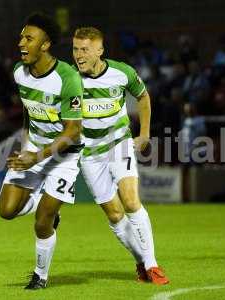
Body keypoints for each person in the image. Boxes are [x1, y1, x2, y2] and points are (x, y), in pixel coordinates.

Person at [72, 27, 169, 285]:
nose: (78, 55)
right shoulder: (69, 80)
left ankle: (153, 265)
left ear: (99, 50)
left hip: (119, 144)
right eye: (75, 49)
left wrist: (145, 133)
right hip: (89, 154)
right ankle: (140, 261)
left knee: (130, 200)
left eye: (84, 49)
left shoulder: (122, 72)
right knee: (115, 215)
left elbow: (143, 97)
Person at [0, 13, 83, 289]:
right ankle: (43, 202)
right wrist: (26, 147)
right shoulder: (19, 73)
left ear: (45, 45)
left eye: (28, 38)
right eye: (21, 37)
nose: (21, 43)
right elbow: (27, 109)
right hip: (34, 148)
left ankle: (40, 275)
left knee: (41, 222)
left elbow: (73, 132)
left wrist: (37, 156)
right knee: (7, 210)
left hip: (64, 155)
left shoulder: (68, 78)